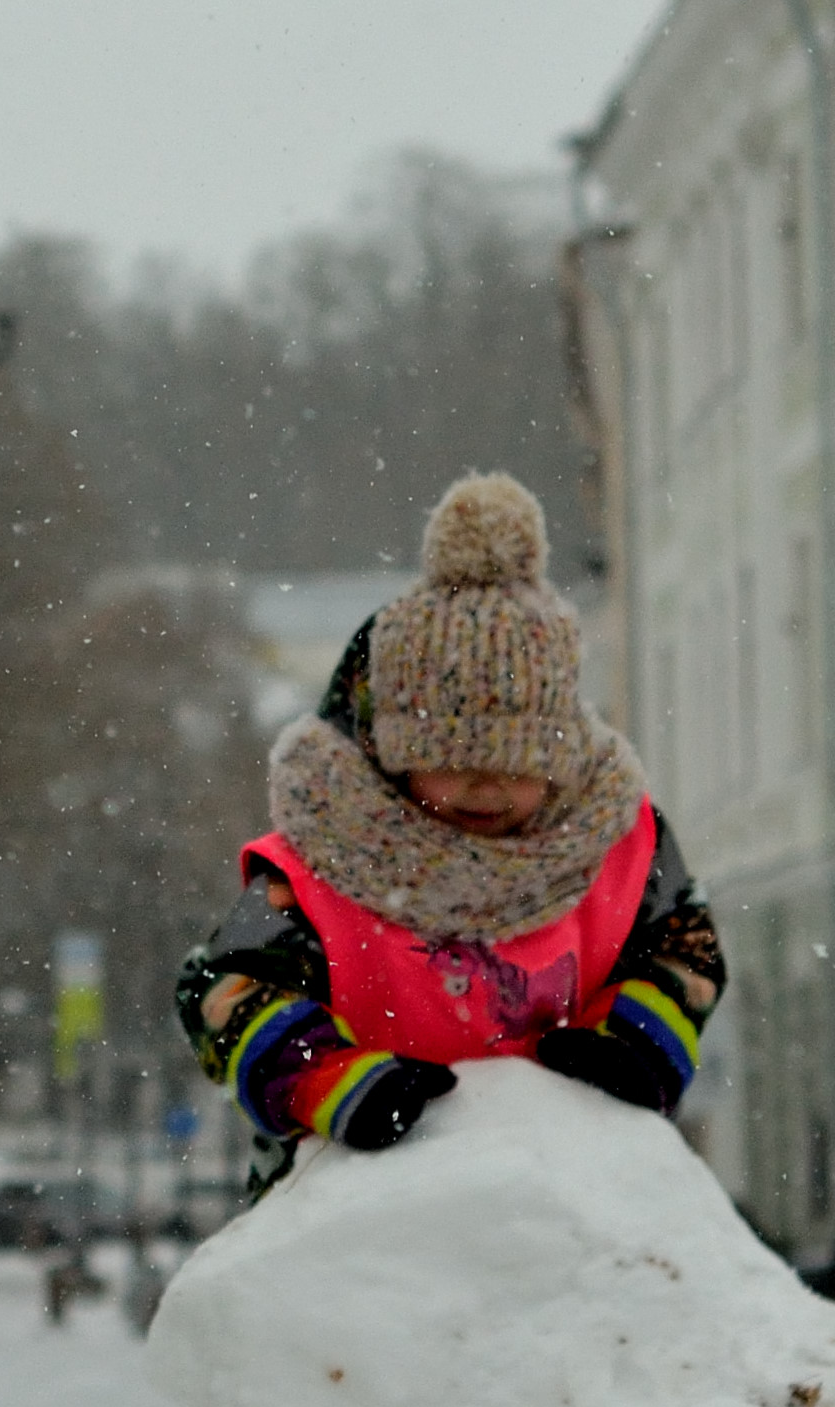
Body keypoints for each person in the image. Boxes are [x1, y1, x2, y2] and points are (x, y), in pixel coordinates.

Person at [177, 473, 725, 1201]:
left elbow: (684, 944)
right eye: (450, 760)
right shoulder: (323, 862)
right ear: (392, 752)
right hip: (360, 1202)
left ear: (560, 760)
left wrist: (635, 1042)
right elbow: (223, 988)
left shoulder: (619, 847)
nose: (484, 787)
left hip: (571, 1193)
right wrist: (329, 1079)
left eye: (516, 764)